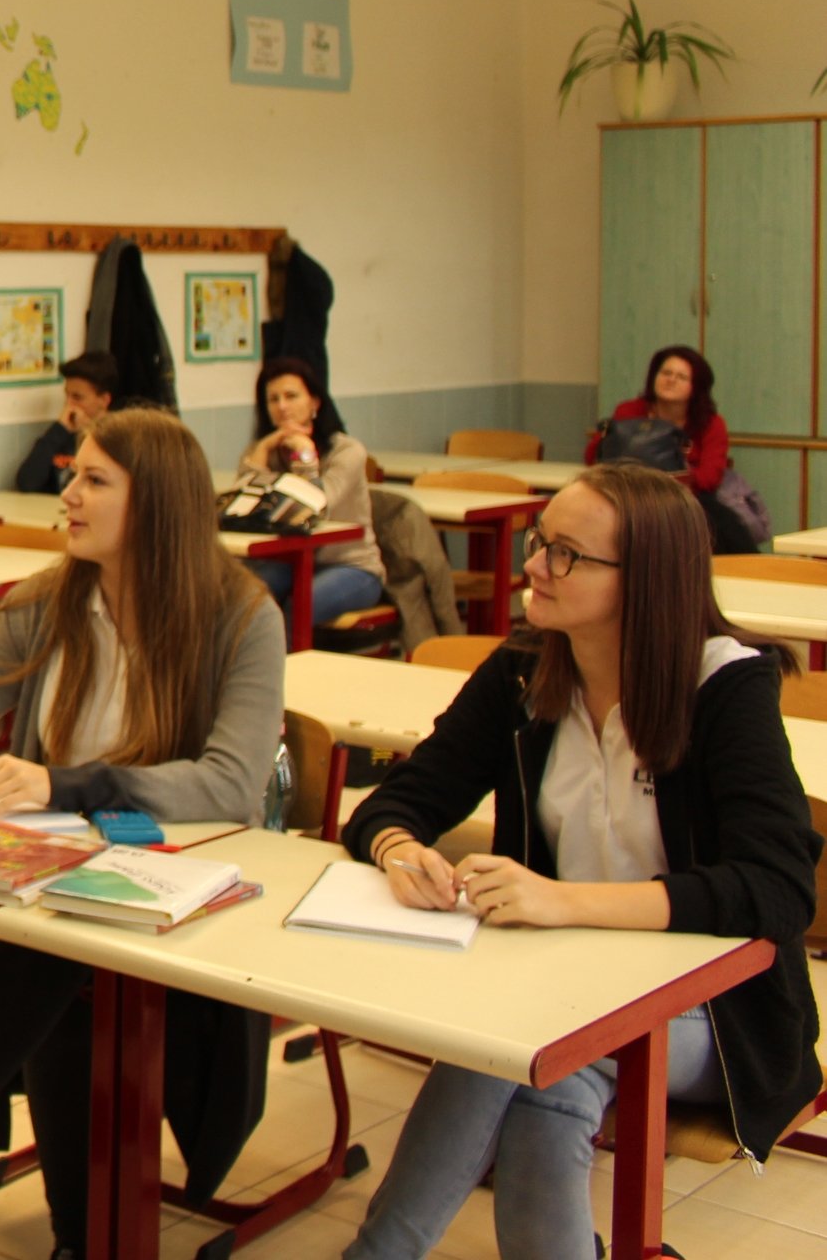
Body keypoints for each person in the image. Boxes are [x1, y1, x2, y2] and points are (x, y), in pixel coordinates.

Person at [340, 464, 820, 1258]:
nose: (533, 565)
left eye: (565, 554)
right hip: (560, 986)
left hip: (717, 1010)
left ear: (645, 580)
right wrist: (400, 851)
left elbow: (777, 889)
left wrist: (563, 902)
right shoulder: (525, 670)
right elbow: (399, 801)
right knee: (545, 1079)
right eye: (540, 542)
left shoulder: (725, 687)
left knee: (519, 1031)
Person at [0, 409, 285, 1259]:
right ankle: (58, 1216)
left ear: (158, 503)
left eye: (94, 480)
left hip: (184, 885)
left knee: (56, 956)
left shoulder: (240, 615)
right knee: (60, 951)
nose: (68, 495)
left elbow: (231, 785)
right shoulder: (44, 603)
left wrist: (67, 783)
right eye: (72, 476)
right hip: (59, 882)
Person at [233, 356, 385, 622]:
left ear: (314, 402)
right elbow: (245, 507)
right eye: (273, 399)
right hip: (290, 561)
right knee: (243, 597)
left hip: (350, 566)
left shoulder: (347, 451)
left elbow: (316, 507)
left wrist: (305, 457)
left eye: (291, 396)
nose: (282, 406)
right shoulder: (267, 450)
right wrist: (261, 451)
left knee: (299, 607)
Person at [585, 344, 752, 551]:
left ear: (696, 387)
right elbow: (593, 457)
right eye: (666, 373)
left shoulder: (710, 423)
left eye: (681, 377)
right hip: (627, 495)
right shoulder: (629, 411)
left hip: (684, 498)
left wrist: (671, 477)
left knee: (722, 524)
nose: (671, 380)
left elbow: (709, 477)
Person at [12, 350, 120, 493]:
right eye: (67, 395)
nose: (68, 405)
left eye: (77, 397)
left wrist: (89, 435)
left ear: (104, 400)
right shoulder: (63, 432)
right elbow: (27, 483)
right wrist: (59, 429)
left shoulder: (119, 438)